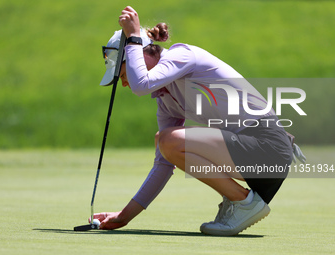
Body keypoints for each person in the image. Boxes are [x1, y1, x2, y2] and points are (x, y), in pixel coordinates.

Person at [92, 6, 295, 236]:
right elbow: (164, 163)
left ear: (142, 53)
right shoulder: (166, 100)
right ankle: (239, 199)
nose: (125, 83)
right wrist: (123, 216)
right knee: (166, 142)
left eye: (124, 73)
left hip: (268, 147)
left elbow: (141, 85)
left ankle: (243, 202)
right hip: (254, 156)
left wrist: (133, 36)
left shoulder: (182, 55)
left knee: (166, 139)